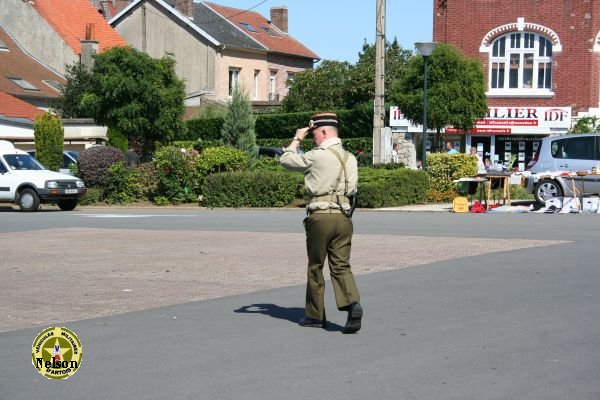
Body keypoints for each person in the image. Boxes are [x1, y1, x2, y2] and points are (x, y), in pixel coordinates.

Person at [280, 112, 363, 334]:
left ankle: (315, 315)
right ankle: (353, 304)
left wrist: (297, 138)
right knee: (341, 265)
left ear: (324, 132)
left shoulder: (318, 156)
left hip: (321, 217)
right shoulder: (350, 158)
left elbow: (286, 160)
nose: (313, 138)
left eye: (314, 134)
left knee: (316, 266)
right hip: (344, 218)